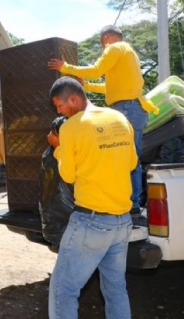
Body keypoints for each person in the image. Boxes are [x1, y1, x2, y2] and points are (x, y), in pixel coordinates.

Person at [48, 25, 157, 224]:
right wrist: (87, 86)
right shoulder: (127, 53)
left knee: (124, 159)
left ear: (106, 38)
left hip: (127, 108)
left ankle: (130, 205)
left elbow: (96, 70)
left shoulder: (115, 48)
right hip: (134, 107)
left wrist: (65, 68)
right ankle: (131, 204)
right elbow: (111, 87)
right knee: (129, 158)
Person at [46, 77, 135, 318]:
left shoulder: (71, 127)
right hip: (122, 222)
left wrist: (58, 148)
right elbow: (131, 162)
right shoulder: (119, 118)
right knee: (116, 290)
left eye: (59, 105)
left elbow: (67, 175)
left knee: (63, 290)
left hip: (92, 222)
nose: (59, 111)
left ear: (73, 99)